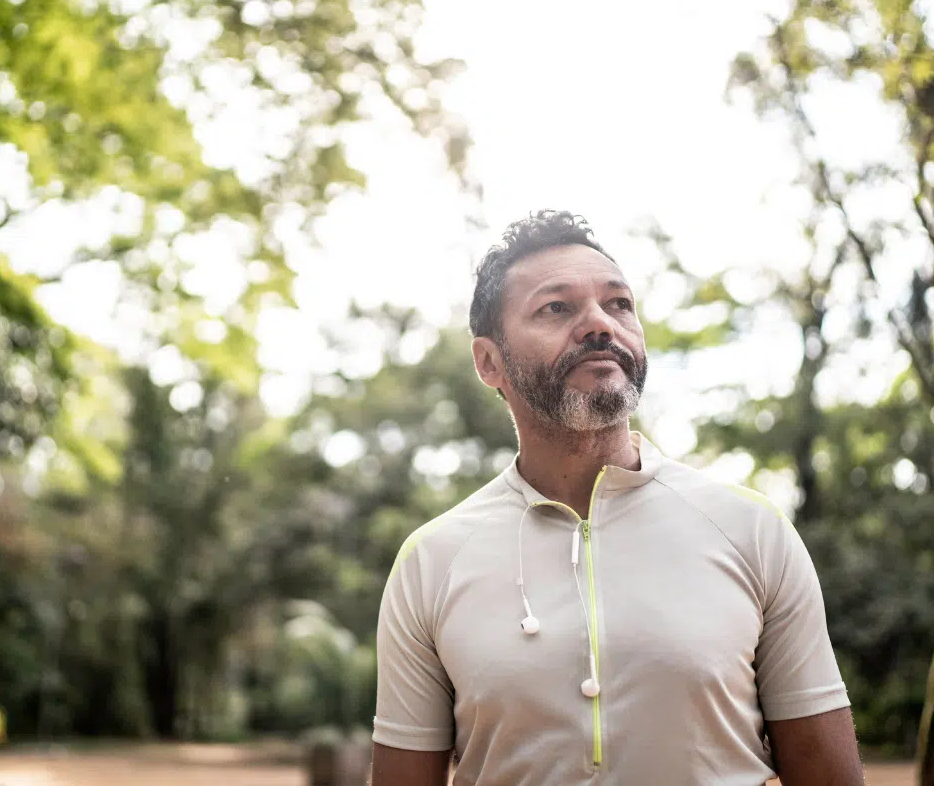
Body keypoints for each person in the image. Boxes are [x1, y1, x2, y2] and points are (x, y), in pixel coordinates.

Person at [369, 210, 864, 785]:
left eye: (619, 304)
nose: (599, 325)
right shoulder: (431, 562)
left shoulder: (753, 530)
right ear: (489, 362)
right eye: (557, 308)